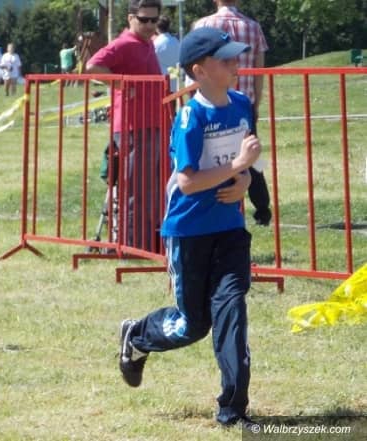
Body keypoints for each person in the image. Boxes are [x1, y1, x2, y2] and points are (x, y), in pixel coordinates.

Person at [118, 27, 262, 429]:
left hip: (230, 229)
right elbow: (187, 182)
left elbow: (247, 157)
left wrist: (245, 180)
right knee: (192, 325)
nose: (235, 63)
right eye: (225, 59)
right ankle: (137, 335)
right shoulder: (189, 117)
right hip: (189, 230)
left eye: (236, 56)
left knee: (232, 309)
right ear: (199, 71)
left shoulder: (241, 104)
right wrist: (236, 167)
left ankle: (233, 409)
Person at [85, 0, 164, 251]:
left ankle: (147, 243)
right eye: (144, 20)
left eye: (154, 20)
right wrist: (121, 84)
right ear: (130, 18)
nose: (149, 25)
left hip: (152, 124)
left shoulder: (147, 43)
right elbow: (92, 65)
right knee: (136, 190)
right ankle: (131, 245)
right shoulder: (124, 43)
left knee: (150, 190)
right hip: (134, 127)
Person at [194, 0, 271, 226]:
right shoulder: (253, 27)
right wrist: (256, 103)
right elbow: (259, 71)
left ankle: (220, 200)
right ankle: (262, 207)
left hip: (213, 103)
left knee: (217, 155)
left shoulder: (202, 25)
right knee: (254, 157)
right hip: (244, 104)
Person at [153, 15, 180, 92]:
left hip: (160, 82)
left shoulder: (155, 43)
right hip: (174, 82)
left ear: (156, 27)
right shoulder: (176, 41)